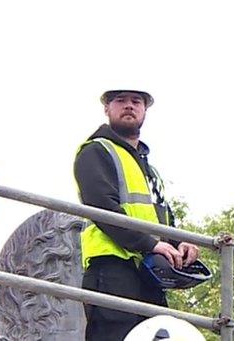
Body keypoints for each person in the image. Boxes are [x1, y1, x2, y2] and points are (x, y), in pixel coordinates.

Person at [75, 86, 201, 341]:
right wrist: (151, 245)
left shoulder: (147, 168)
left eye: (136, 101)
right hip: (112, 269)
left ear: (145, 110)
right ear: (107, 108)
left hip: (149, 271)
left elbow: (161, 217)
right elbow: (102, 207)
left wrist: (179, 243)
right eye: (120, 100)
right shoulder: (96, 151)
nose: (129, 105)